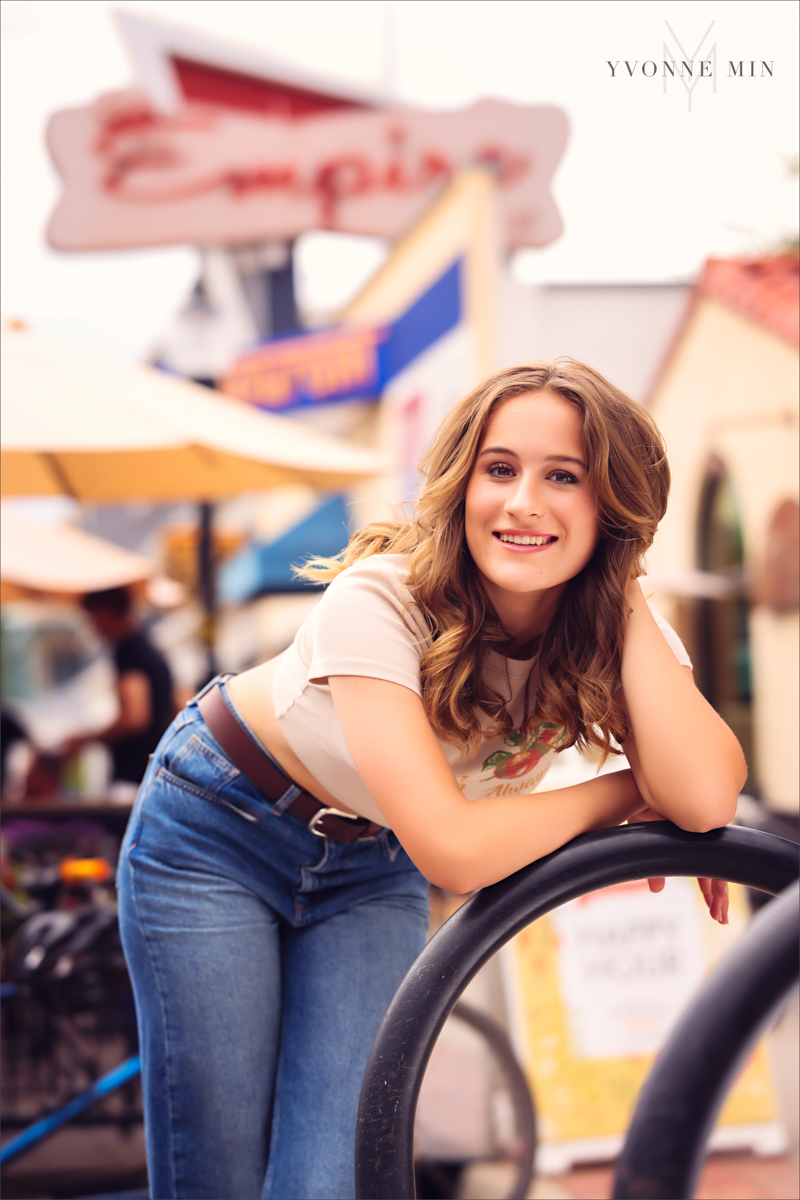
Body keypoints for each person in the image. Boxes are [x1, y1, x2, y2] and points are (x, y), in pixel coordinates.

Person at [117, 362, 745, 1200]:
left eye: (565, 477)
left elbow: (705, 795)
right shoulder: (380, 600)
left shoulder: (615, 628)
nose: (523, 500)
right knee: (217, 1181)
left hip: (370, 865)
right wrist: (629, 792)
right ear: (462, 483)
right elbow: (452, 849)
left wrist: (622, 588)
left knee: (326, 1184)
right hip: (217, 828)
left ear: (614, 506)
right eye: (500, 468)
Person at [69, 586, 175, 796]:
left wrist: (84, 740)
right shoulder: (149, 645)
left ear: (105, 611)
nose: (93, 627)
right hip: (152, 774)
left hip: (133, 778)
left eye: (92, 617)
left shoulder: (129, 650)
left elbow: (134, 718)